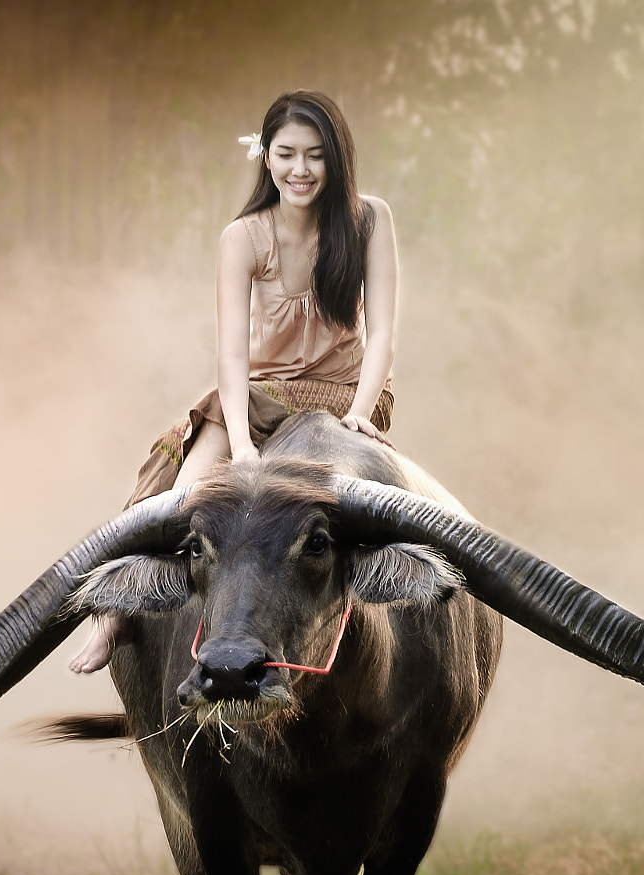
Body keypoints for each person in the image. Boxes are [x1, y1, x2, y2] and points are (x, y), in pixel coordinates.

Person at [69, 89, 399, 673]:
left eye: (317, 155)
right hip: (257, 399)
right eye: (288, 153)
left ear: (338, 159)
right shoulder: (243, 236)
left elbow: (383, 334)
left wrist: (364, 416)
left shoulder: (369, 218)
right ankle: (115, 619)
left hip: (346, 400)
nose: (302, 170)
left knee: (381, 514)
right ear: (266, 157)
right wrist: (242, 446)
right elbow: (231, 359)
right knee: (179, 497)